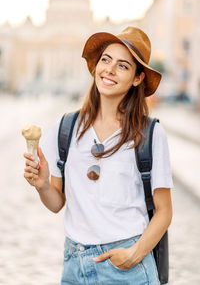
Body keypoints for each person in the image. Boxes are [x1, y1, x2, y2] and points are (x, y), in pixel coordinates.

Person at [23, 26, 173, 285]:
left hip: (127, 268)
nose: (110, 70)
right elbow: (57, 204)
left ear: (138, 78)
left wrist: (133, 255)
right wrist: (43, 185)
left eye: (123, 66)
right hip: (74, 265)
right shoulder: (66, 127)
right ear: (96, 66)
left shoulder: (150, 133)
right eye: (106, 60)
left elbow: (164, 211)